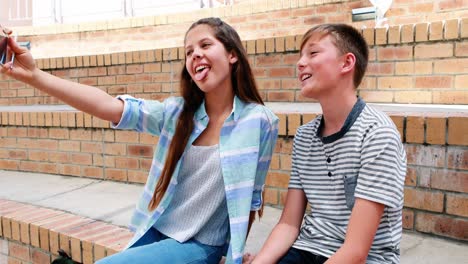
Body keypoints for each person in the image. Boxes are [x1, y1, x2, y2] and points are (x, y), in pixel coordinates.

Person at [0, 17, 279, 264]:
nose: (195, 55)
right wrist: (34, 76)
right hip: (154, 231)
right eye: (189, 52)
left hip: (199, 244)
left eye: (205, 46)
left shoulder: (259, 122)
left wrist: (233, 254)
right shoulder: (178, 114)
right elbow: (108, 106)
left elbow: (251, 198)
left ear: (232, 54)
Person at [250, 24, 407, 264]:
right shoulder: (304, 136)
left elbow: (356, 251)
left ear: (346, 63)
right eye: (300, 56)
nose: (300, 63)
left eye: (312, 53)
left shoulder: (377, 134)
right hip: (307, 248)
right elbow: (289, 225)